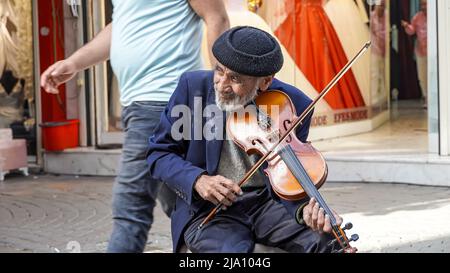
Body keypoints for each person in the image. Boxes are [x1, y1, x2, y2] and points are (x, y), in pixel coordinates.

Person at [40, 0, 229, 253]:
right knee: (183, 203)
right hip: (139, 104)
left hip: (163, 99)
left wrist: (221, 91)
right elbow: (121, 26)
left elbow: (217, 18)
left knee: (130, 208)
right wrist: (74, 63)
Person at [147, 26, 344, 253]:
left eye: (235, 78)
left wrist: (306, 212)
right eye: (219, 71)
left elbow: (289, 179)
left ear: (265, 81)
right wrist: (198, 180)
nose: (221, 85)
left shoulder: (294, 104)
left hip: (268, 204)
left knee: (328, 242)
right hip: (212, 210)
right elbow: (159, 153)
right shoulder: (193, 88)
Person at [402, 0, 428, 108]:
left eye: (425, 4)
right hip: (420, 51)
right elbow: (411, 31)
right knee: (422, 76)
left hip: (433, 53)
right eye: (421, 4)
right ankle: (427, 98)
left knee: (433, 76)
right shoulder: (417, 17)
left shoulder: (435, 15)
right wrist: (406, 26)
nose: (423, 6)